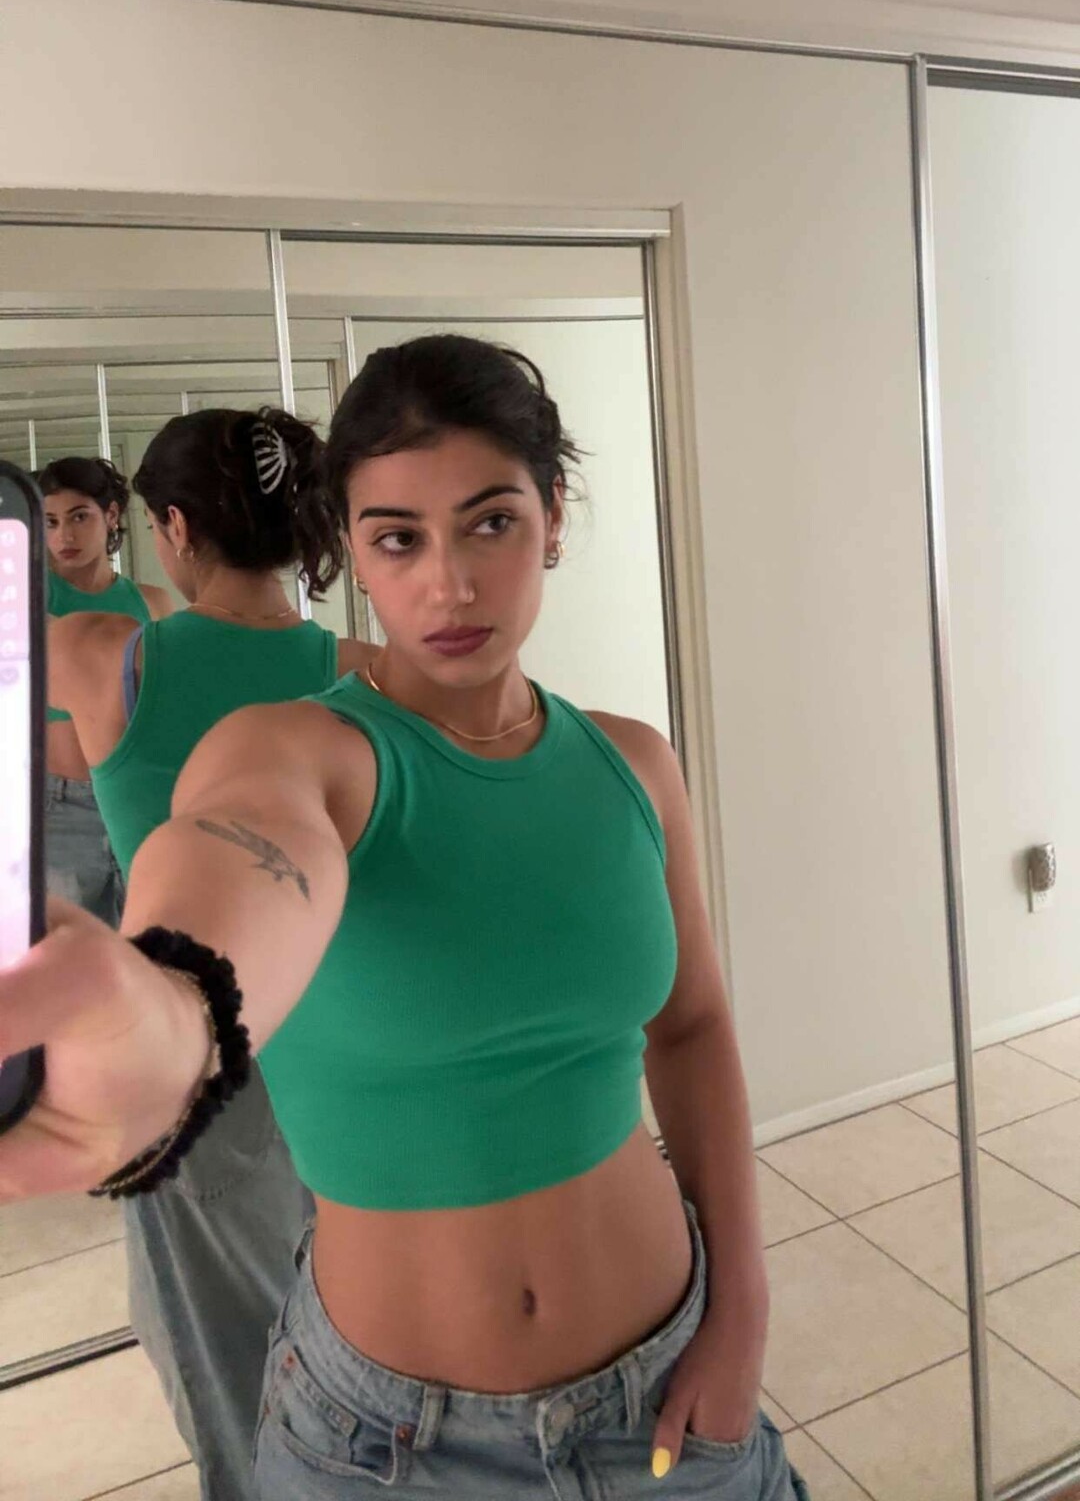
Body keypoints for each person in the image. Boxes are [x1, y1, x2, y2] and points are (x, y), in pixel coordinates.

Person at [2, 337, 810, 1501]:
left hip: (672, 1396)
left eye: (491, 523)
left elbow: (691, 1028)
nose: (450, 583)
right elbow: (246, 848)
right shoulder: (297, 749)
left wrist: (743, 1311)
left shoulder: (636, 764)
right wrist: (174, 1007)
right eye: (398, 539)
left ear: (553, 517)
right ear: (351, 553)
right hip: (384, 1453)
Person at [46, 406, 374, 1501]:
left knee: (226, 1356)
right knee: (355, 1323)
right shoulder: (363, 671)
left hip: (197, 1063)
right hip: (344, 1040)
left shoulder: (103, 658)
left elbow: (49, 735)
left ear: (176, 528)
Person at [40, 456, 171, 928]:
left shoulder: (150, 602)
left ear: (111, 515)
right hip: (57, 804)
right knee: (64, 952)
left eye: (79, 517)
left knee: (149, 941)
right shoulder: (27, 597)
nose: (64, 536)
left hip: (136, 796)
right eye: (51, 522)